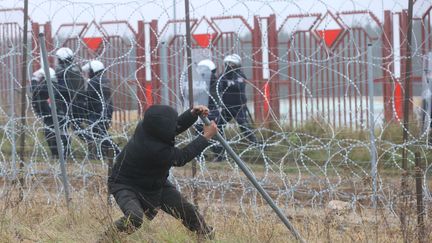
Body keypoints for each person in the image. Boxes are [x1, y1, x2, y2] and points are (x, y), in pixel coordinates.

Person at [106, 105, 217, 240]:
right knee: (134, 217)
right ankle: (106, 239)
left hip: (154, 182)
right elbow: (181, 158)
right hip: (125, 184)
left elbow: (173, 127)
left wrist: (192, 114)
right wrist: (205, 137)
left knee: (187, 210)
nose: (175, 126)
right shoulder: (155, 150)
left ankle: (207, 236)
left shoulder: (146, 128)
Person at [54, 47, 89, 156]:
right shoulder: (76, 69)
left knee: (62, 128)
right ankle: (94, 143)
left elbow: (60, 89)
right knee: (77, 127)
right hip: (77, 103)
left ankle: (64, 153)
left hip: (65, 104)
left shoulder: (61, 71)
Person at [218, 54, 258, 145]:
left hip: (239, 106)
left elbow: (239, 86)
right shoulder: (222, 76)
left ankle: (255, 145)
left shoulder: (240, 75)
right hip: (226, 107)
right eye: (228, 64)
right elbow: (219, 88)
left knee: (244, 126)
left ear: (237, 65)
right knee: (218, 126)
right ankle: (220, 145)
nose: (230, 66)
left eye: (233, 64)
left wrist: (229, 83)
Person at [82, 60, 119, 159]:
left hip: (97, 112)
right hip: (106, 110)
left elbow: (88, 98)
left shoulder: (93, 82)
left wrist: (84, 110)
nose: (88, 73)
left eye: (89, 71)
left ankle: (116, 152)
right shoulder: (104, 80)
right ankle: (102, 154)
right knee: (99, 133)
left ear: (94, 70)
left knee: (99, 133)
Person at [31, 67, 61, 158]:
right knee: (53, 133)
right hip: (52, 113)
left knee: (50, 133)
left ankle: (56, 154)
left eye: (42, 78)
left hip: (50, 114)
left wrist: (34, 80)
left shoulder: (48, 86)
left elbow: (35, 90)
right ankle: (58, 154)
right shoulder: (54, 84)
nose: (40, 80)